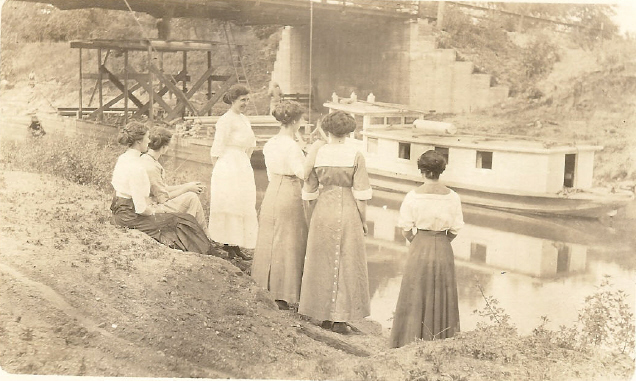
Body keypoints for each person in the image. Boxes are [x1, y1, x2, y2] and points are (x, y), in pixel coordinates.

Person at [298, 110, 372, 334]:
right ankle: (340, 318)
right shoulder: (356, 153)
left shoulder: (318, 153)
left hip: (324, 208)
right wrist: (363, 220)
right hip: (348, 208)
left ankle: (322, 314)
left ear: (327, 130)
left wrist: (311, 216)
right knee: (347, 261)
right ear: (349, 131)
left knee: (322, 260)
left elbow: (309, 191)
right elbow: (361, 193)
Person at [388, 150, 464, 348]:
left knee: (416, 291)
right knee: (442, 293)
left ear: (421, 170)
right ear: (442, 171)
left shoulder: (413, 196)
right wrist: (442, 241)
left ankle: (409, 341)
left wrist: (418, 240)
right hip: (444, 246)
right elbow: (456, 228)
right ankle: (441, 342)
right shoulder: (453, 196)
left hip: (420, 245)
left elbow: (405, 227)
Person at [110, 121, 213, 255]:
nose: (149, 141)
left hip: (120, 211)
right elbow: (141, 208)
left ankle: (201, 243)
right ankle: (203, 246)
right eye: (147, 138)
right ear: (139, 142)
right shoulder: (137, 166)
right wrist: (153, 212)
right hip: (130, 216)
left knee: (181, 218)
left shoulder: (124, 158)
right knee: (182, 220)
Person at [251, 101, 309, 310]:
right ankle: (282, 293)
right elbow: (302, 173)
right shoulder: (292, 146)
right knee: (288, 239)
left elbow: (268, 172)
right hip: (289, 190)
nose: (302, 123)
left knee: (270, 237)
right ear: (294, 121)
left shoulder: (271, 143)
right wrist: (309, 157)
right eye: (301, 120)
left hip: (273, 189)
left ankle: (265, 287)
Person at [208, 84, 257, 260]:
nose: (246, 103)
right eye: (242, 100)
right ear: (233, 100)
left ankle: (236, 244)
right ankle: (227, 244)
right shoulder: (225, 120)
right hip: (227, 164)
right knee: (229, 202)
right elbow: (217, 148)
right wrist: (219, 171)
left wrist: (244, 163)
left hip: (241, 163)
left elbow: (251, 144)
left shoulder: (244, 119)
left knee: (241, 202)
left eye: (247, 99)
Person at [139, 127, 207, 230]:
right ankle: (198, 234)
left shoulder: (147, 159)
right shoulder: (151, 167)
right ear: (164, 147)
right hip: (152, 209)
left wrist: (188, 185)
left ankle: (195, 232)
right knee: (191, 197)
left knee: (190, 196)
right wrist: (187, 189)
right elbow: (163, 198)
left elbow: (162, 188)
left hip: (152, 203)